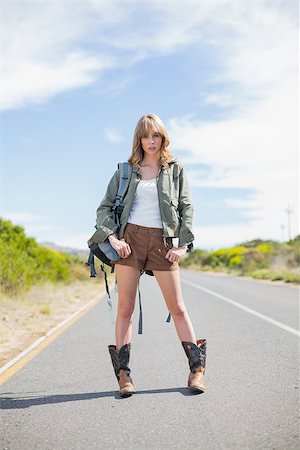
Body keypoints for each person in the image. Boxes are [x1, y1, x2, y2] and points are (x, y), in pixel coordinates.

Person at [92, 113, 206, 397]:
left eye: (155, 135)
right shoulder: (126, 171)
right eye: (146, 136)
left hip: (162, 243)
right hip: (129, 241)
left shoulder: (175, 170)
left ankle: (197, 369)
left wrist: (183, 244)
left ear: (162, 137)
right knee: (125, 310)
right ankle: (124, 376)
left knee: (177, 307)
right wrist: (113, 239)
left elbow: (186, 206)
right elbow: (104, 209)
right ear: (139, 139)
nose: (151, 141)